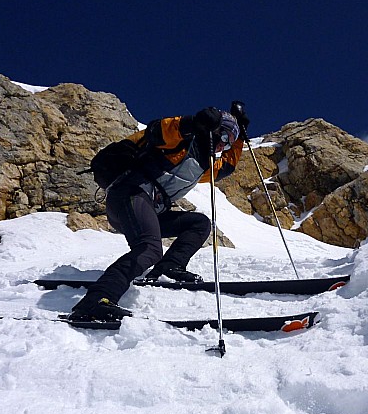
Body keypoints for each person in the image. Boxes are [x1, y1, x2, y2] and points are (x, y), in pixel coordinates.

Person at [68, 105, 250, 322]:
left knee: (199, 224)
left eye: (229, 140)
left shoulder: (205, 163)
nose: (224, 143)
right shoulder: (183, 138)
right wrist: (194, 122)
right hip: (129, 195)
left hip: (150, 209)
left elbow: (227, 167)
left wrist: (240, 137)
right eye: (224, 135)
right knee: (149, 248)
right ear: (212, 129)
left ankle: (169, 268)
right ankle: (95, 301)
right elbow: (159, 130)